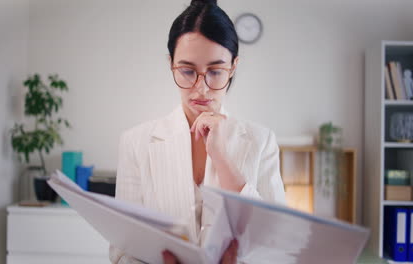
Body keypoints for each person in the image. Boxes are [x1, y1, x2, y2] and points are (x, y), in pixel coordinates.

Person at [109, 0, 286, 263]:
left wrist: (222, 158)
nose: (201, 89)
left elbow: (278, 243)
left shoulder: (261, 141)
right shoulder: (136, 143)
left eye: (215, 71)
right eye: (187, 71)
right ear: (171, 64)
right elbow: (121, 252)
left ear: (233, 67)